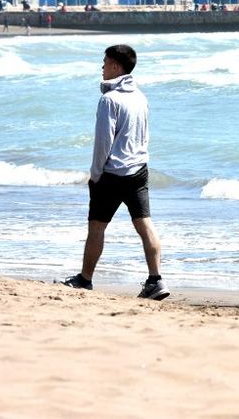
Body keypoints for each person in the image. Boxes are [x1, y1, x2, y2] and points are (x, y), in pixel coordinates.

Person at [62, 45, 169, 301]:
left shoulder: (109, 100)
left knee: (97, 228)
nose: (101, 67)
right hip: (139, 170)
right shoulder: (141, 97)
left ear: (116, 67)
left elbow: (103, 143)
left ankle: (85, 279)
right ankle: (156, 280)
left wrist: (95, 174)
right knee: (144, 224)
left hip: (112, 173)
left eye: (104, 62)